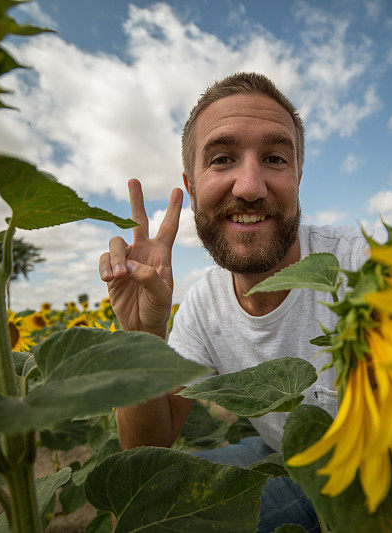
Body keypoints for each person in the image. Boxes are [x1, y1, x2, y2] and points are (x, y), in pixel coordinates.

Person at [99, 72, 368, 532]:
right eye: (222, 159)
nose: (249, 186)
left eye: (275, 158)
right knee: (155, 509)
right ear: (192, 182)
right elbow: (150, 444)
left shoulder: (361, 264)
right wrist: (142, 338)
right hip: (285, 457)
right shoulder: (204, 304)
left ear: (298, 175)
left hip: (383, 479)